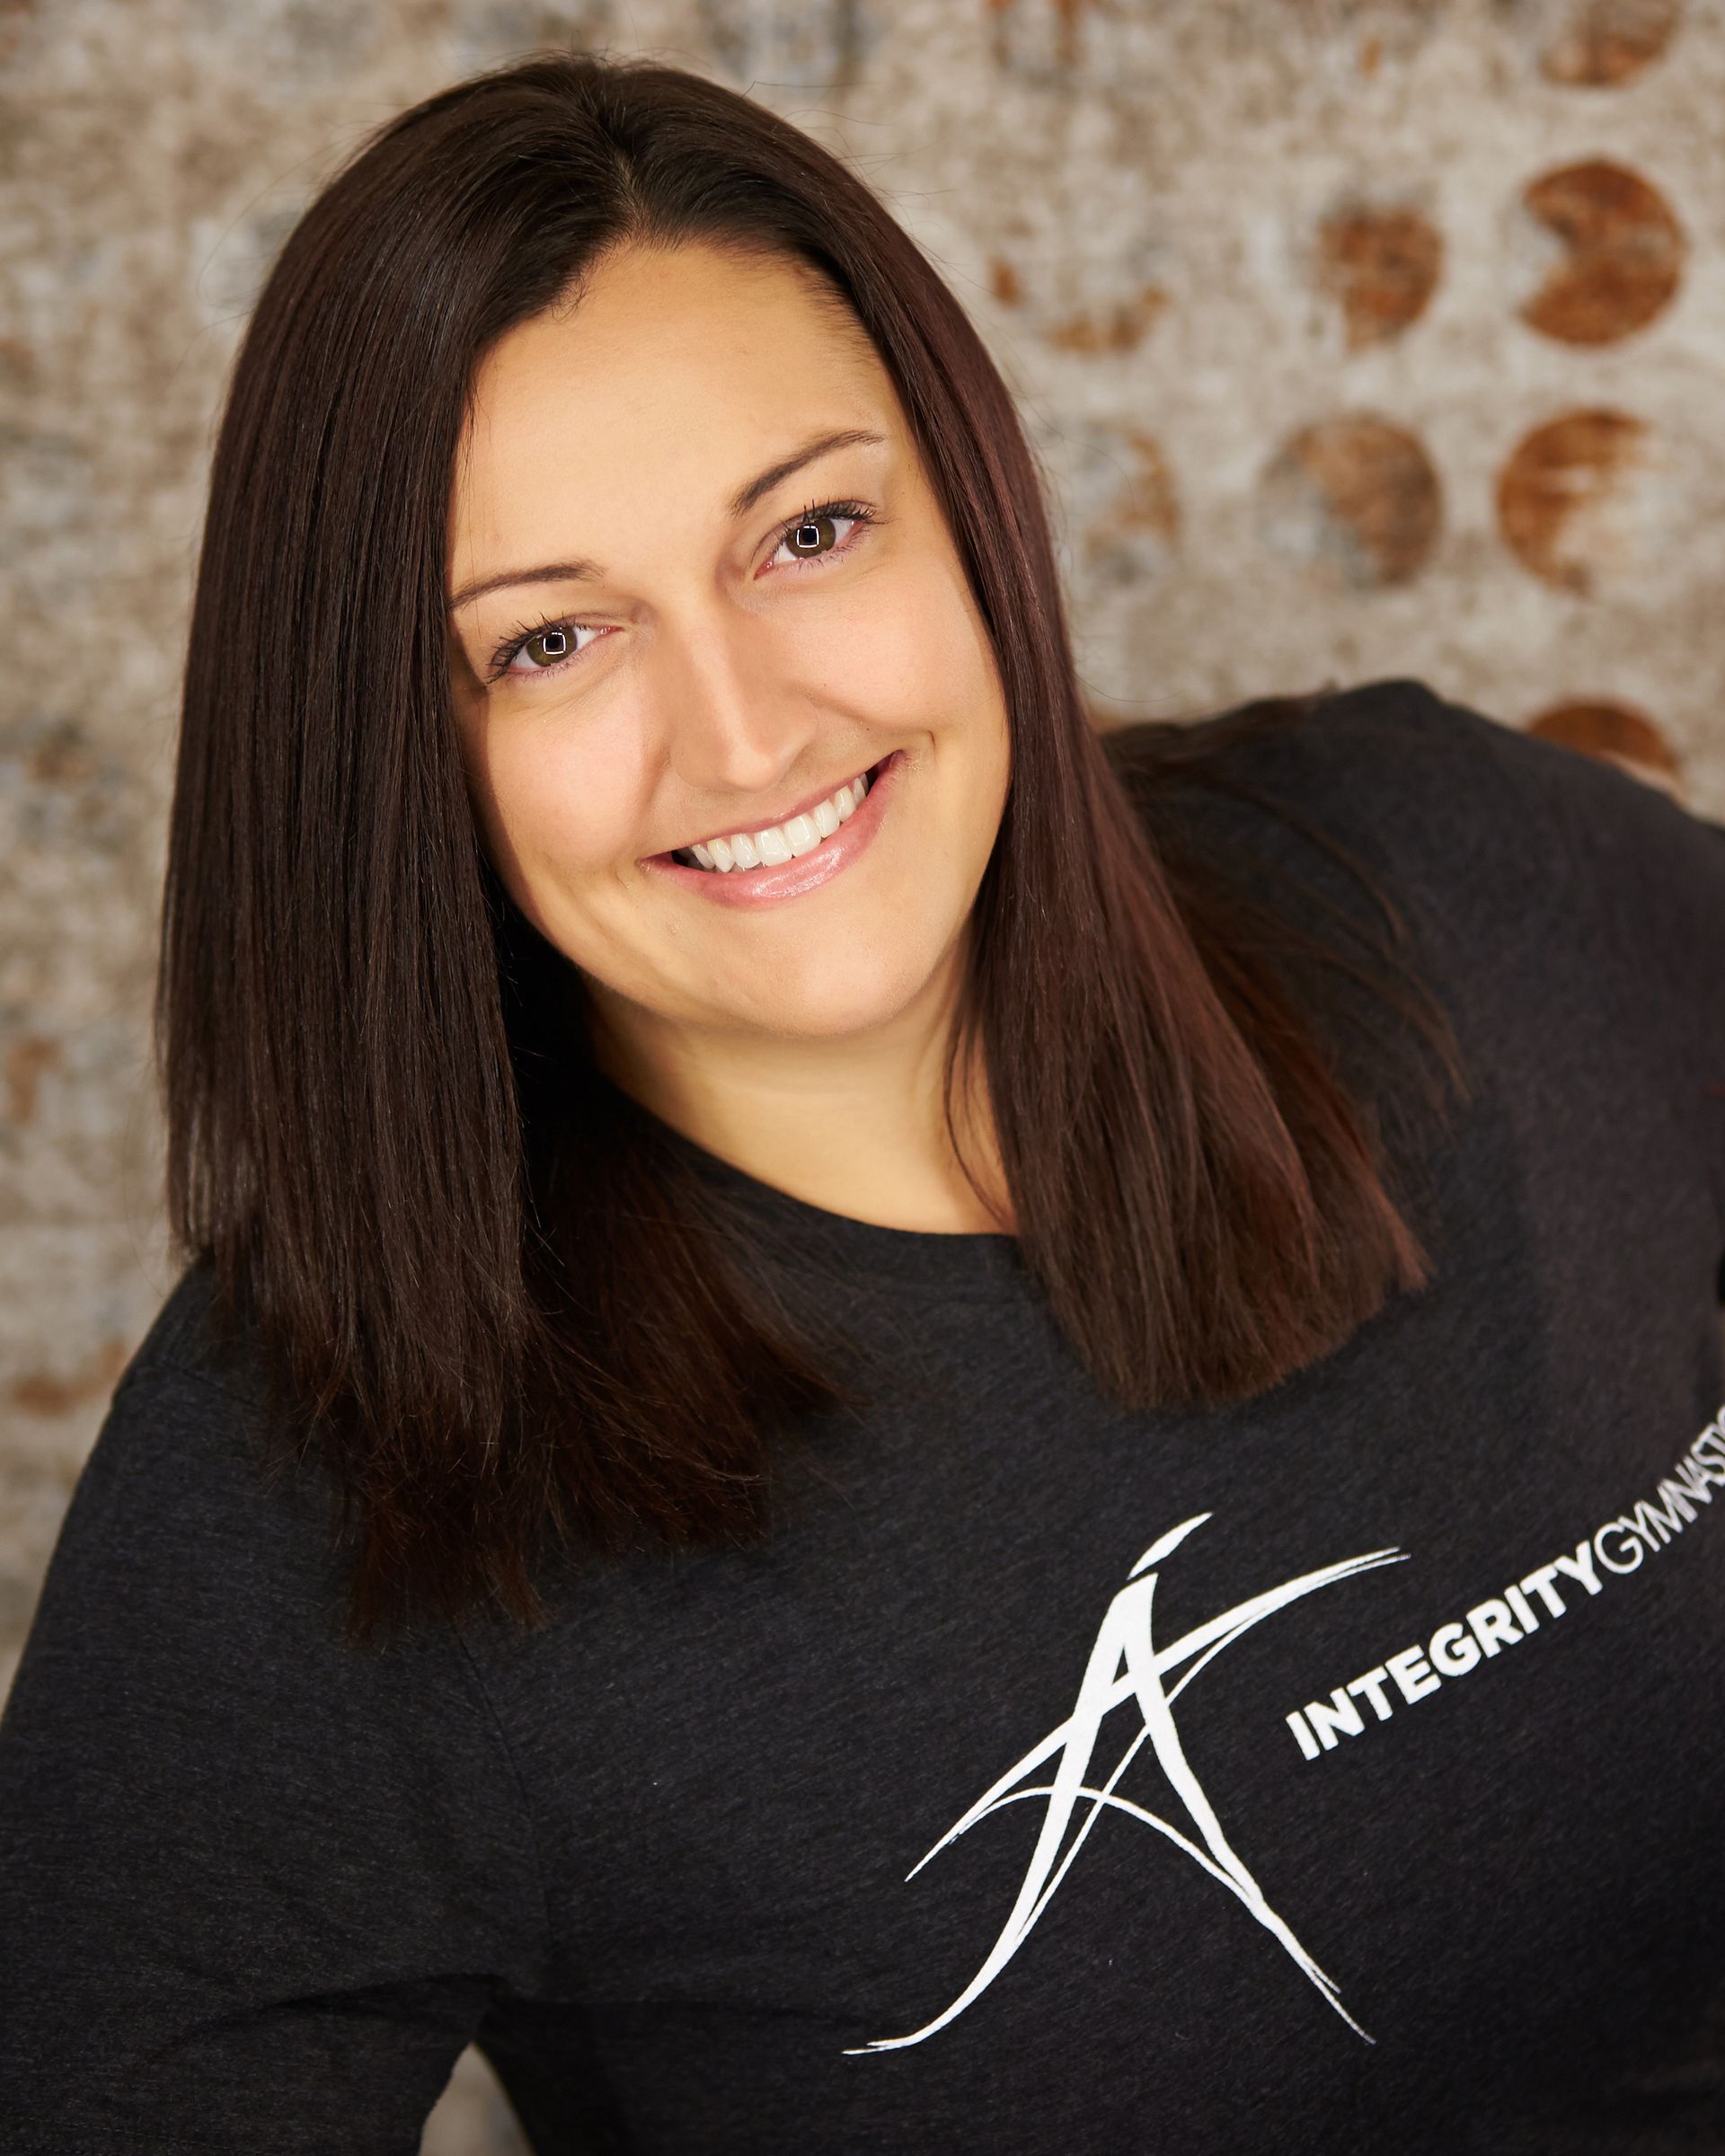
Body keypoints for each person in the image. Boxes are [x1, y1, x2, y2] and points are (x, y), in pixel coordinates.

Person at [2, 48, 1722, 2156]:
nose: (741, 733)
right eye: (551, 644)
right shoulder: (333, 1455)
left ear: (971, 506)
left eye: (809, 531)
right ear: (398, 752)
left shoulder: (1458, 877)